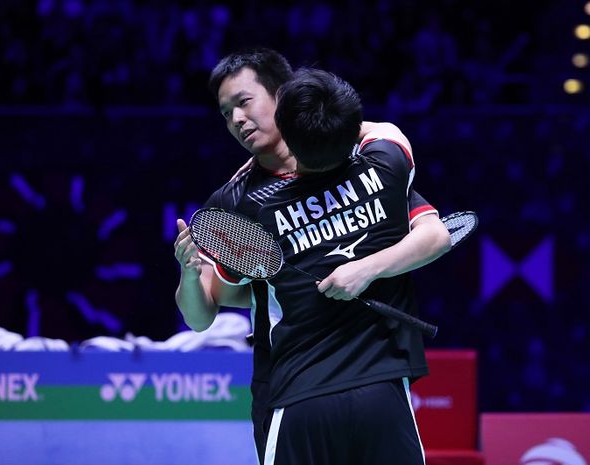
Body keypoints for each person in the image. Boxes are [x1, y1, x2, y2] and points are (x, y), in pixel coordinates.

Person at [174, 48, 444, 464]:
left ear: (282, 96)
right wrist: (191, 274)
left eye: (244, 102)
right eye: (226, 114)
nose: (237, 120)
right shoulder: (238, 202)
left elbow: (434, 234)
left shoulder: (366, 162)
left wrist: (363, 270)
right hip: (293, 386)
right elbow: (205, 312)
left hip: (380, 376)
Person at [256, 68, 451, 465]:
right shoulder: (389, 161)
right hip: (381, 391)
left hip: (300, 399)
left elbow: (228, 295)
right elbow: (376, 130)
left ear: (285, 136)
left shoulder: (259, 210)